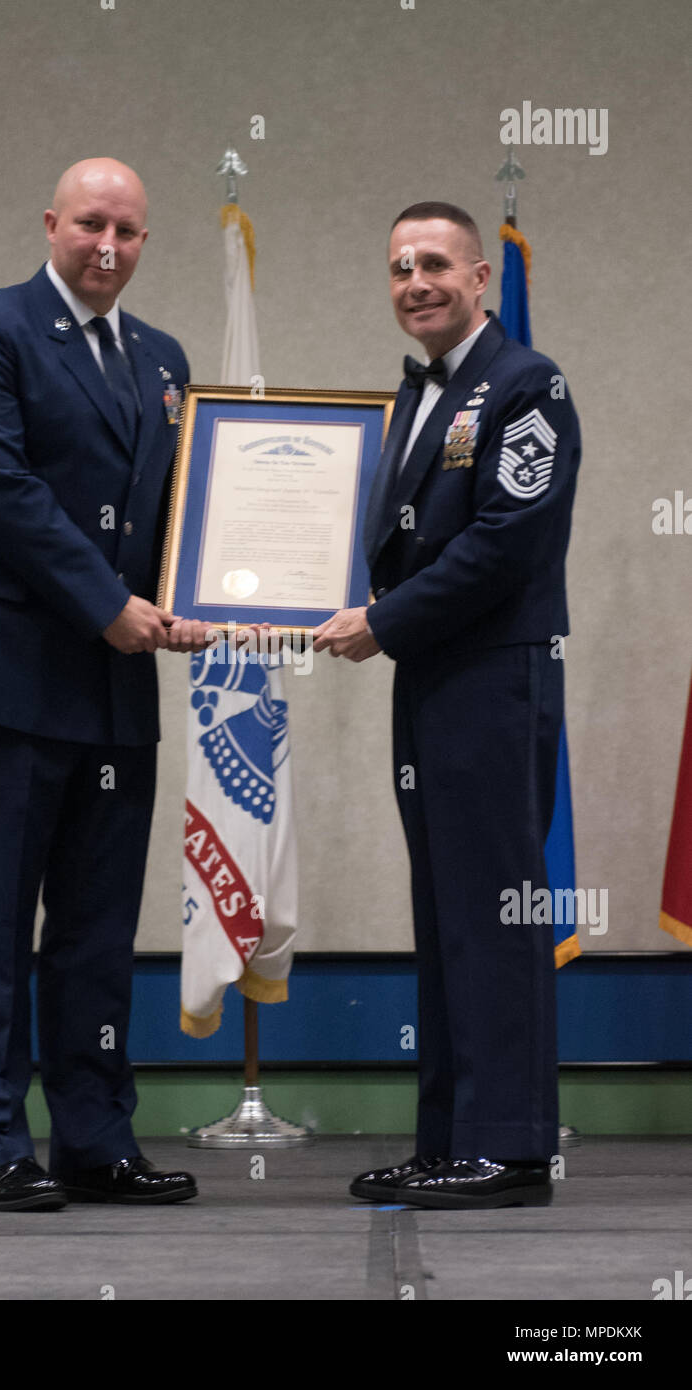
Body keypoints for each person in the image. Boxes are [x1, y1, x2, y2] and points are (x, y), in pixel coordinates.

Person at [0, 158, 211, 1211]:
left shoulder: (165, 362)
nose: (107, 247)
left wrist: (221, 590)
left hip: (116, 690)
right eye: (90, 223)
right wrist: (106, 602)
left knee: (95, 930)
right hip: (6, 680)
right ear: (50, 222)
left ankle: (94, 1135)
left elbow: (182, 511)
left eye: (128, 231)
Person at [314, 202, 580, 1209]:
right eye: (397, 267)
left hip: (493, 679)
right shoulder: (419, 392)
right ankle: (448, 1140)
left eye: (434, 264)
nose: (414, 281)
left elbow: (506, 542)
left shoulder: (527, 384)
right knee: (447, 913)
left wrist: (383, 621)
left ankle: (509, 1149)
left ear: (481, 278)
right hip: (430, 678)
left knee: (497, 911)